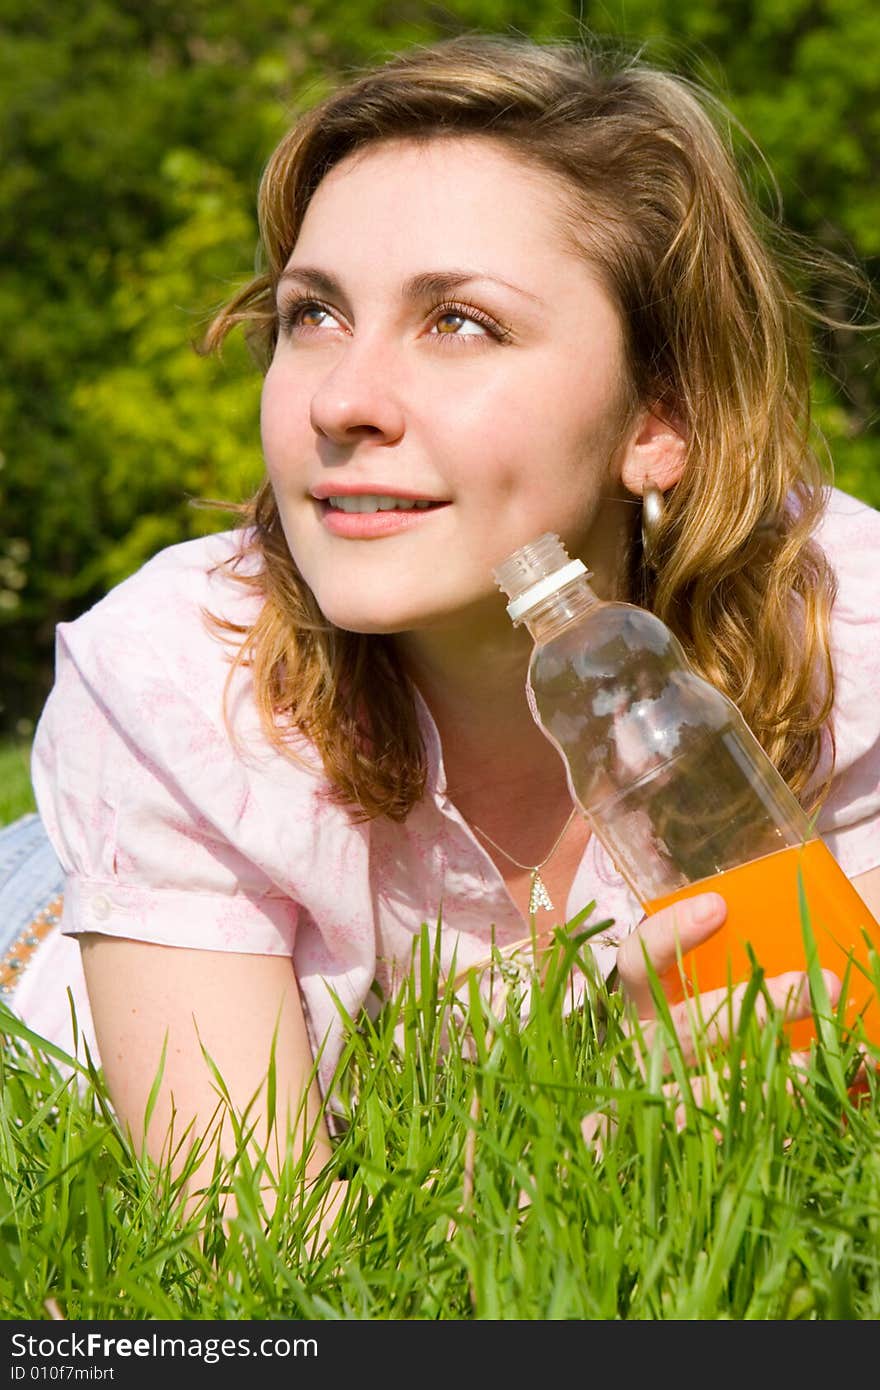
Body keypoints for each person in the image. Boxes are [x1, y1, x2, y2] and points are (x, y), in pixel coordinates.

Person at [3, 31, 879, 1219]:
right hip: (60, 901)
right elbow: (257, 1255)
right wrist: (601, 1143)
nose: (342, 399)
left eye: (458, 321)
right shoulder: (172, 684)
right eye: (313, 315)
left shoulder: (839, 631)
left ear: (657, 415)